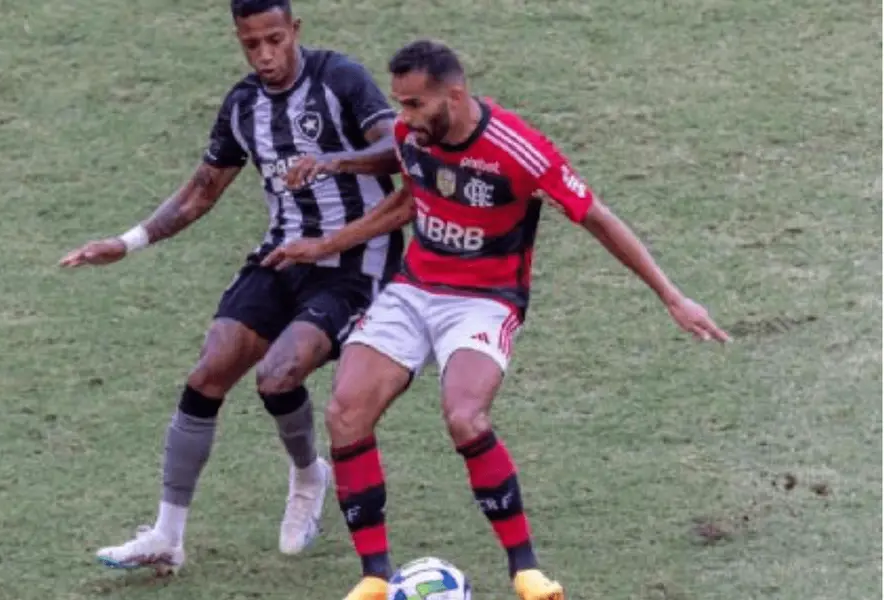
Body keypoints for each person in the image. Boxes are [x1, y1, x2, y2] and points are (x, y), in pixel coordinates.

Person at [262, 39, 730, 600]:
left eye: (414, 104)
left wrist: (672, 297)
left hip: (484, 300)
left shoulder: (519, 151)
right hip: (413, 289)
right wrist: (327, 245)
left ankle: (526, 571)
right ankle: (374, 577)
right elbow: (411, 200)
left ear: (454, 96)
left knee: (465, 417)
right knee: (345, 412)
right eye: (400, 102)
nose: (402, 118)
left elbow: (598, 218)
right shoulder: (414, 136)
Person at [58, 0, 405, 575]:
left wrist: (334, 162)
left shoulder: (339, 77)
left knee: (277, 374)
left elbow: (398, 149)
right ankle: (167, 536)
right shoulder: (243, 105)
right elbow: (202, 191)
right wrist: (127, 241)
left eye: (275, 40)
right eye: (251, 44)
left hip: (354, 262)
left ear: (294, 30)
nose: (265, 55)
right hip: (282, 255)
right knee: (208, 373)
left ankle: (308, 477)